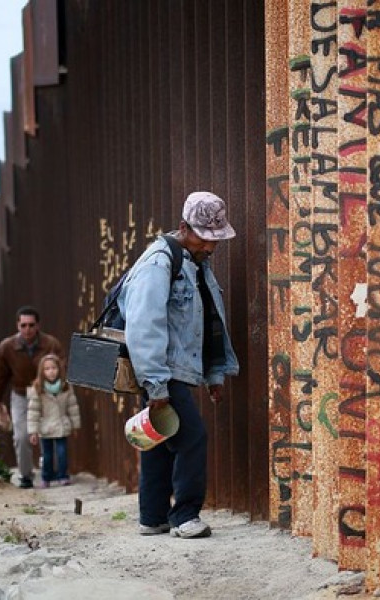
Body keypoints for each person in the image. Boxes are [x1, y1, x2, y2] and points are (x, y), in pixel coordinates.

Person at [118, 190, 240, 539]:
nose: (212, 246)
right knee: (192, 438)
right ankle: (185, 516)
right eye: (206, 237)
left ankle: (152, 517)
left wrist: (214, 373)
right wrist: (156, 387)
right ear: (184, 227)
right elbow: (143, 327)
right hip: (160, 371)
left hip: (171, 370)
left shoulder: (195, 261)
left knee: (158, 440)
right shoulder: (159, 263)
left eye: (216, 238)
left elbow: (208, 320)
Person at [0, 306, 64, 488]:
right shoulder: (7, 347)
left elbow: (62, 368)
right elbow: (0, 375)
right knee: (22, 436)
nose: (27, 329)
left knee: (52, 432)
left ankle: (53, 472)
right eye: (23, 325)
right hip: (21, 395)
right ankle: (26, 475)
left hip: (46, 394)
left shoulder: (51, 344)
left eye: (31, 325)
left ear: (38, 325)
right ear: (17, 325)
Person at [27, 354, 80, 488]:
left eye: (54, 368)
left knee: (62, 453)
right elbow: (33, 411)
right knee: (47, 455)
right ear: (42, 371)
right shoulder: (38, 388)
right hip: (46, 427)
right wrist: (33, 431)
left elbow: (72, 407)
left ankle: (63, 475)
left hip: (62, 426)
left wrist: (75, 426)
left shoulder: (65, 387)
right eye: (47, 369)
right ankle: (46, 477)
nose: (51, 371)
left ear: (59, 369)